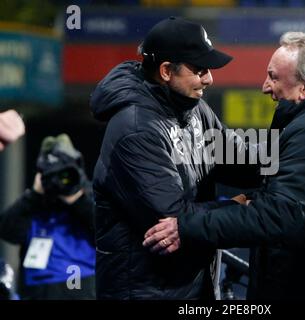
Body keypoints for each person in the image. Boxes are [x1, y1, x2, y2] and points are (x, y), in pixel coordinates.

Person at [144, 32, 305, 300]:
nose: (265, 86)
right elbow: (266, 170)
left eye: (274, 77)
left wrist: (187, 227)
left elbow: (275, 215)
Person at [90, 16, 260, 300]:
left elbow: (243, 161)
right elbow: (175, 221)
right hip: (147, 293)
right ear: (167, 70)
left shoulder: (195, 109)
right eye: (200, 69)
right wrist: (240, 204)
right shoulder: (135, 128)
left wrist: (291, 161)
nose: (209, 78)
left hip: (193, 289)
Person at [0, 134, 96, 300]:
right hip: (35, 289)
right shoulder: (34, 202)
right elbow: (7, 231)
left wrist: (77, 199)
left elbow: (106, 230)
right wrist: (34, 195)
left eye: (65, 174)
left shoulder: (90, 197)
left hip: (79, 283)